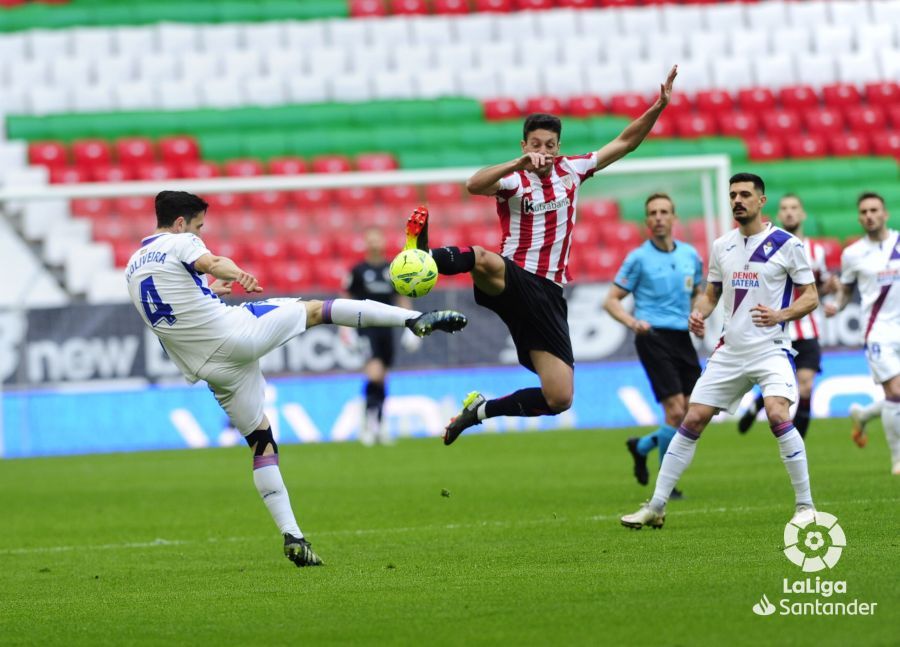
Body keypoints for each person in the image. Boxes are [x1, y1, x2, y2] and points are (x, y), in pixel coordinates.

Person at [125, 191, 468, 567]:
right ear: (180, 224)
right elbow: (211, 260)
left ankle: (293, 535)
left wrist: (209, 290)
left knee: (260, 440)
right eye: (199, 226)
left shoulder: (133, 265)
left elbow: (173, 305)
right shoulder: (181, 242)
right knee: (316, 310)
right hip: (233, 334)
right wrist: (233, 272)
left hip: (206, 366)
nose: (200, 232)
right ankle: (412, 320)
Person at [402, 65, 679, 445]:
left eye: (550, 145)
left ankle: (479, 410)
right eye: (535, 144)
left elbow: (625, 143)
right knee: (483, 258)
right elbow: (473, 185)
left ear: (558, 147)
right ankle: (424, 256)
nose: (543, 152)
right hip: (513, 276)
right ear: (524, 146)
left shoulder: (574, 169)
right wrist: (518, 164)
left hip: (548, 295)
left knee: (559, 397)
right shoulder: (515, 178)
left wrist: (658, 106)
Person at [621, 173, 819, 529]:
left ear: (761, 201)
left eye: (745, 194)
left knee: (777, 414)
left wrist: (780, 314)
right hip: (730, 350)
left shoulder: (787, 244)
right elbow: (710, 293)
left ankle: (805, 506)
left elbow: (811, 296)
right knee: (692, 418)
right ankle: (656, 505)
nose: (737, 200)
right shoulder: (721, 245)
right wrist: (699, 313)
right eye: (733, 195)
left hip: (770, 348)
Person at [604, 193, 703, 496]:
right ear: (647, 221)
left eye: (664, 212)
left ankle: (643, 445)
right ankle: (667, 485)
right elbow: (610, 301)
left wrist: (698, 313)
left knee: (693, 414)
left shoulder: (690, 256)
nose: (658, 217)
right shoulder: (638, 258)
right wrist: (633, 322)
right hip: (652, 337)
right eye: (652, 213)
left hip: (682, 338)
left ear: (674, 218)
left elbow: (699, 291)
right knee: (675, 412)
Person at [736, 194, 832, 438]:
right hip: (776, 330)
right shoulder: (767, 248)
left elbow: (816, 287)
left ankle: (797, 443)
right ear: (779, 214)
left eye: (794, 208)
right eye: (785, 208)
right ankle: (758, 404)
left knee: (806, 386)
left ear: (802, 214)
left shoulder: (815, 251)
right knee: (779, 383)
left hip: (808, 328)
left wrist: (832, 288)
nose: (789, 213)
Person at [825, 192, 900, 474]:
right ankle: (897, 459)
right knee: (895, 391)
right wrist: (837, 306)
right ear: (859, 217)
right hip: (877, 331)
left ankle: (863, 414)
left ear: (885, 214)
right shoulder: (853, 254)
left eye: (874, 210)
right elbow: (845, 291)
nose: (869, 215)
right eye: (864, 212)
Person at [344, 227, 422, 446]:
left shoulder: (393, 270)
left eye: (378, 239)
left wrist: (411, 325)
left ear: (383, 242)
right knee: (375, 373)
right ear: (366, 244)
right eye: (371, 240)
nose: (375, 243)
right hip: (365, 328)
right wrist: (345, 329)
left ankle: (377, 422)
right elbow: (346, 298)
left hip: (387, 329)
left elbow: (402, 298)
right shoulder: (358, 271)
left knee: (383, 376)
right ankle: (370, 424)